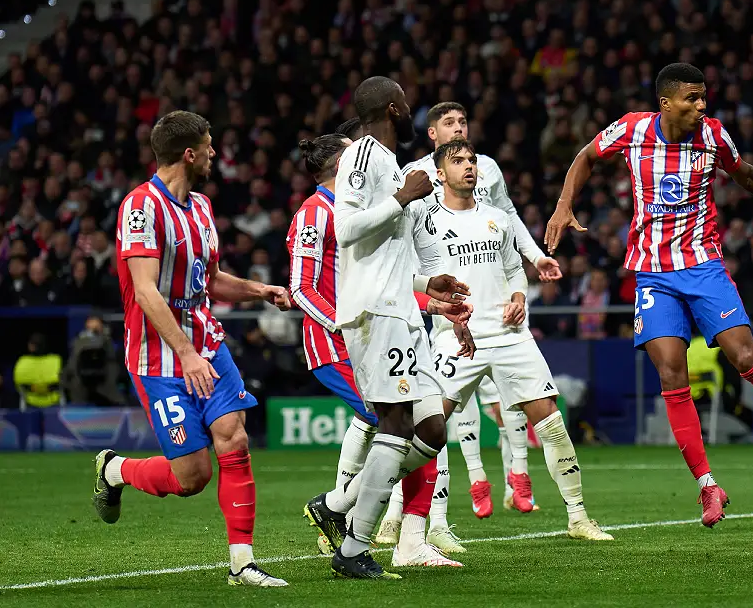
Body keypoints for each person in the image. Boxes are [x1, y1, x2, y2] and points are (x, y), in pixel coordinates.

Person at [546, 62, 753, 527]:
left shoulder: (714, 136)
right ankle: (708, 486)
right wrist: (563, 205)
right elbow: (585, 156)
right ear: (666, 103)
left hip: (703, 265)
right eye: (692, 99)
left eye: (704, 97)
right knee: (670, 373)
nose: (702, 106)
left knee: (744, 357)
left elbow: (745, 174)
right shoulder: (631, 129)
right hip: (653, 274)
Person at [90, 110, 292, 587]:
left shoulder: (200, 207)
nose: (214, 154)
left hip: (207, 343)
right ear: (189, 153)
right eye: (209, 145)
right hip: (160, 358)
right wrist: (184, 353)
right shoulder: (140, 207)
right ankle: (115, 469)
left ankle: (242, 563)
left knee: (235, 437)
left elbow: (211, 280)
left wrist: (258, 290)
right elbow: (145, 291)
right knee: (192, 477)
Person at [303, 77, 472, 579]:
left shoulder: (388, 163)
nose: (411, 108)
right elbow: (346, 227)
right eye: (406, 102)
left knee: (432, 429)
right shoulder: (360, 157)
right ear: (393, 108)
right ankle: (354, 547)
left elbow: (384, 253)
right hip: (376, 314)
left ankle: (337, 505)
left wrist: (429, 284)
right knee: (396, 423)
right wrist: (403, 198)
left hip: (402, 309)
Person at [413, 137, 611, 544]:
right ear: (439, 173)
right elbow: (415, 281)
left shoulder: (496, 218)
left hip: (507, 335)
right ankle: (415, 523)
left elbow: (513, 271)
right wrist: (441, 309)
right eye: (458, 161)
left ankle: (578, 517)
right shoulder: (425, 221)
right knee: (427, 430)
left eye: (472, 160)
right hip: (455, 337)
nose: (469, 166)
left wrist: (519, 297)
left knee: (552, 422)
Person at [388, 101, 561, 541]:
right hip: (447, 310)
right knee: (436, 418)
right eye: (449, 123)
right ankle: (423, 513)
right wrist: (424, 296)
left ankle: (516, 480)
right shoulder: (414, 177)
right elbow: (402, 245)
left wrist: (535, 257)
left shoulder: (487, 169)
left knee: (509, 402)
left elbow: (509, 218)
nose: (459, 128)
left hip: (497, 304)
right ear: (432, 135)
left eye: (463, 121)